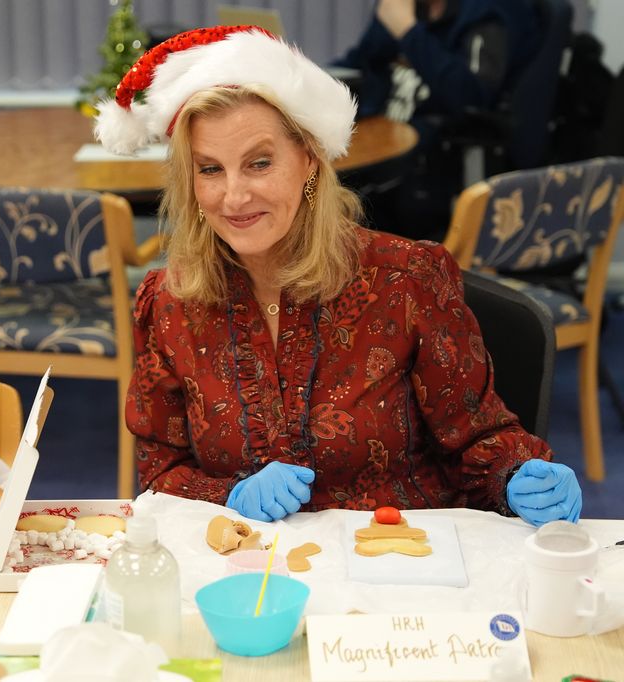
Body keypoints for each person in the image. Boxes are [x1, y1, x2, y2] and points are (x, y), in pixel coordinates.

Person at [94, 25, 580, 526]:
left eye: (259, 163)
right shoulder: (171, 303)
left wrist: (519, 473)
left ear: (308, 159)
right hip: (245, 572)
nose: (233, 196)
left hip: (398, 565)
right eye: (210, 169)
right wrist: (228, 495)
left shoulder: (406, 280)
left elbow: (479, 438)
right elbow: (161, 473)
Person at [333, 0, 539, 240]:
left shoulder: (490, 13)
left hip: (427, 162)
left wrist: (407, 30)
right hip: (375, 133)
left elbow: (470, 96)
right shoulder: (405, 6)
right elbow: (359, 63)